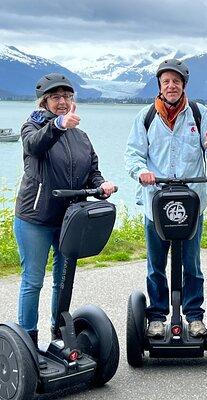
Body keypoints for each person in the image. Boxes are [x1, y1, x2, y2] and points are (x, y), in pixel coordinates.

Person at [125, 58, 207, 338]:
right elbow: (133, 154)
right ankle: (157, 315)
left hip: (191, 204)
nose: (171, 86)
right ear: (159, 86)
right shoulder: (145, 117)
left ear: (184, 85)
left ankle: (194, 315)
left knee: (192, 264)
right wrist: (142, 171)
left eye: (176, 82)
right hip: (156, 203)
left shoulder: (199, 113)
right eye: (166, 81)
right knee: (156, 264)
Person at [14, 73, 115, 346]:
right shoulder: (32, 127)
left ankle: (58, 336)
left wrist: (101, 184)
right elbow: (34, 146)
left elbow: (91, 171)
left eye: (67, 96)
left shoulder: (80, 136)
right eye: (56, 97)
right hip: (35, 218)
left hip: (69, 219)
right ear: (44, 101)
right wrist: (58, 125)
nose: (62, 101)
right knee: (33, 281)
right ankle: (26, 342)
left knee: (62, 281)